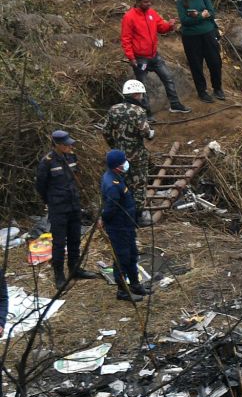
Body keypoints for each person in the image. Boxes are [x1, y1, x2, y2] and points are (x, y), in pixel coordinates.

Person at [36, 131, 96, 290]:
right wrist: (51, 201)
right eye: (66, 144)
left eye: (70, 144)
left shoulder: (71, 157)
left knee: (75, 239)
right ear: (56, 145)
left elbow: (75, 178)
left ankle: (75, 269)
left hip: (74, 205)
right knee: (59, 243)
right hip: (58, 208)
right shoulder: (47, 162)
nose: (70, 146)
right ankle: (59, 276)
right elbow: (41, 186)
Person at [121, 0, 189, 114]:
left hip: (154, 55)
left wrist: (169, 25)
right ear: (137, 2)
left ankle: (175, 104)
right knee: (142, 86)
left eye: (149, 1)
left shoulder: (151, 13)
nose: (149, 4)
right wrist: (131, 57)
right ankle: (147, 113)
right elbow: (126, 39)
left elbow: (161, 27)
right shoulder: (129, 17)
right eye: (145, 2)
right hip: (140, 58)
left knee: (168, 78)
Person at [100, 150, 147, 303]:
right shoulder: (112, 184)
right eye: (123, 162)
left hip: (127, 226)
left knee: (132, 255)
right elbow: (109, 210)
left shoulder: (116, 177)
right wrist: (108, 224)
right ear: (117, 166)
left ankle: (135, 285)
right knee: (122, 259)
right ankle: (123, 291)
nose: (126, 163)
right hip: (119, 228)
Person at [174, 0, 224, 103]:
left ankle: (217, 88)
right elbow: (185, 21)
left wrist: (198, 17)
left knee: (215, 61)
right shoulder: (181, 1)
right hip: (191, 38)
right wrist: (201, 16)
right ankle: (202, 91)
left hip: (208, 34)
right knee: (196, 64)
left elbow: (212, 13)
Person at [104, 79, 154, 192]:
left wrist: (113, 145)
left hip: (120, 154)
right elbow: (145, 132)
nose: (142, 97)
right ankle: (138, 208)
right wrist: (151, 134)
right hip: (137, 155)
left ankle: (127, 203)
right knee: (139, 184)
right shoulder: (138, 111)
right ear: (136, 94)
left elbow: (105, 131)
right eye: (141, 94)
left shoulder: (113, 109)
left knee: (124, 182)